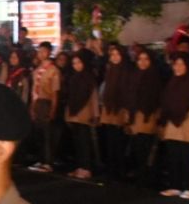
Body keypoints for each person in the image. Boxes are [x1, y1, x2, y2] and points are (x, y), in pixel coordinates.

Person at [158, 53, 189, 199]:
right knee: (174, 156)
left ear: (188, 66)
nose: (178, 67)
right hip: (172, 125)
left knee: (187, 158)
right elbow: (166, 104)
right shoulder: (171, 83)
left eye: (181, 64)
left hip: (188, 125)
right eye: (175, 64)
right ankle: (175, 186)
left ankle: (188, 188)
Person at [127, 46, 163, 188]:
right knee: (137, 148)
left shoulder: (154, 77)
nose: (142, 62)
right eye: (140, 59)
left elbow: (158, 99)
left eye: (146, 59)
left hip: (149, 117)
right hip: (135, 116)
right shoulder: (134, 76)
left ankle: (147, 177)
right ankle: (140, 176)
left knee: (146, 148)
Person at [98, 44, 133, 180]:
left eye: (117, 54)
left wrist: (127, 111)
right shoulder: (110, 71)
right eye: (112, 55)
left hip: (121, 110)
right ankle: (111, 170)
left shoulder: (127, 71)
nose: (115, 57)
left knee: (120, 142)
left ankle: (121, 171)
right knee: (110, 141)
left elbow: (129, 93)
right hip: (109, 110)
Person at [63, 52, 99, 180]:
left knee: (84, 142)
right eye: (74, 63)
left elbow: (94, 97)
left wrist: (95, 114)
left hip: (85, 114)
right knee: (77, 142)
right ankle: (80, 167)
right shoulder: (73, 78)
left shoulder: (89, 77)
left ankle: (87, 168)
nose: (76, 66)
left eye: (79, 63)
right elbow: (70, 97)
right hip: (74, 114)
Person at [28, 42, 61, 172]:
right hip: (37, 102)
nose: (41, 54)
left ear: (49, 52)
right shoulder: (37, 70)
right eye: (39, 51)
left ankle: (48, 161)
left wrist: (53, 109)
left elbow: (54, 93)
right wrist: (32, 106)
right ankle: (40, 159)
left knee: (47, 133)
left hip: (47, 102)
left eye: (44, 51)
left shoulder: (53, 70)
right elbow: (33, 90)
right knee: (39, 133)